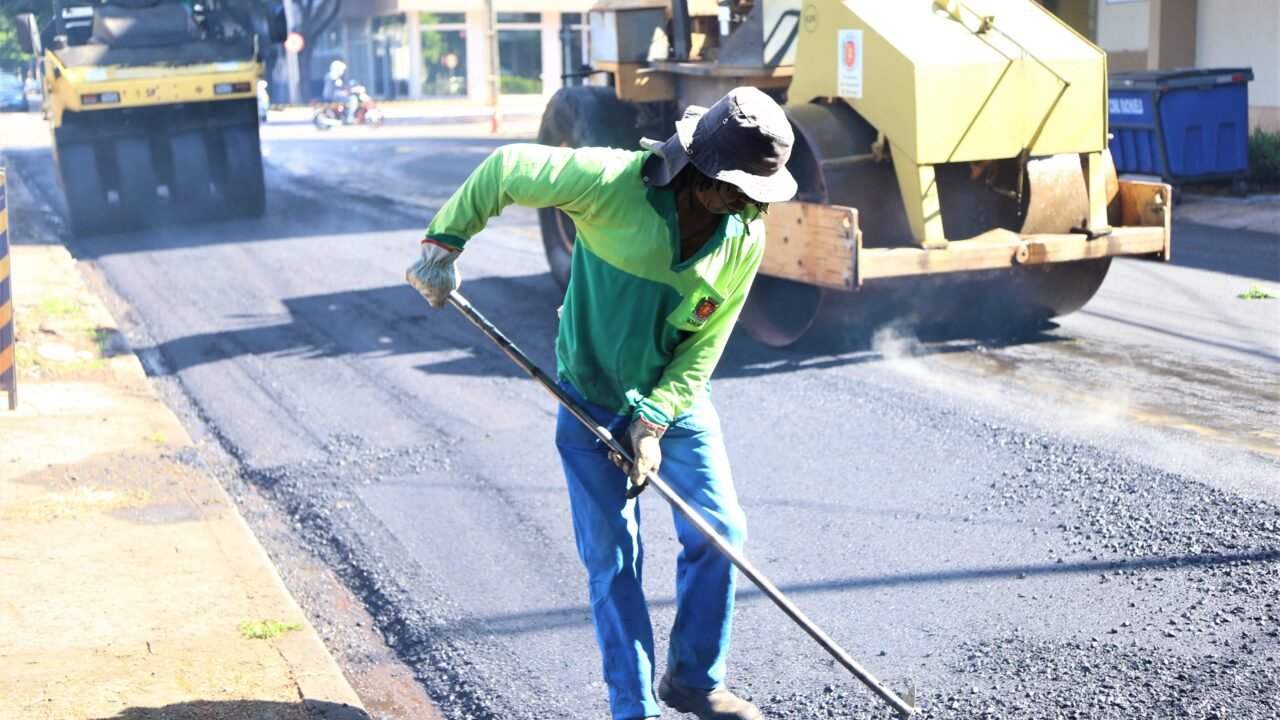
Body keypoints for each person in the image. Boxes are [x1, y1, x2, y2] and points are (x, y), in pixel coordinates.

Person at [406, 86, 796, 720]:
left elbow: (708, 339)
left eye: (759, 190)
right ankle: (631, 707)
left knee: (722, 532)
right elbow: (507, 168)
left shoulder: (744, 232)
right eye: (738, 187)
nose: (751, 204)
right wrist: (443, 245)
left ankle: (694, 681)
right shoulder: (612, 183)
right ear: (698, 169)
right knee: (615, 562)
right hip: (591, 399)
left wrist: (655, 420)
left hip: (674, 398)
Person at [322, 59, 358, 124]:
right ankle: (350, 117)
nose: (343, 72)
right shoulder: (333, 76)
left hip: (330, 94)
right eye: (342, 70)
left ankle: (344, 114)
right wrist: (351, 89)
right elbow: (340, 86)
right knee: (353, 99)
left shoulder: (330, 75)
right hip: (333, 95)